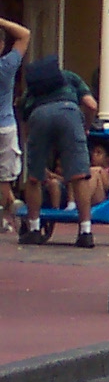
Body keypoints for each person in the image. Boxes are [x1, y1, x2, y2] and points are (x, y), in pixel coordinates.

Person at [21, 54, 97, 247]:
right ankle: (85, 232)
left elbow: (24, 117)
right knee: (79, 176)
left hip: (38, 116)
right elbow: (91, 105)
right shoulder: (71, 78)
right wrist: (86, 126)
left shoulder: (33, 89)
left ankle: (34, 229)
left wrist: (29, 144)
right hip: (69, 113)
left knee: (34, 178)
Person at [0, 16, 26, 233]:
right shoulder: (7, 66)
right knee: (5, 176)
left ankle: (8, 208)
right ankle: (13, 208)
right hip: (6, 126)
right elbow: (24, 34)